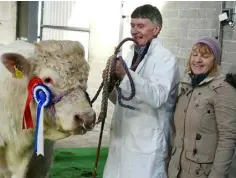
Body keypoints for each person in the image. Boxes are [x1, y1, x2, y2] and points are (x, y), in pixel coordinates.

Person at [102, 4, 180, 178]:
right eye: (133, 25)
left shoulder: (166, 59)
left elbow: (158, 96)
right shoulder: (129, 55)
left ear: (156, 29)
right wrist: (111, 84)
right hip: (123, 139)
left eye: (141, 26)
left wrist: (126, 75)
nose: (135, 30)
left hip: (147, 144)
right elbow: (125, 99)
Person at [168, 36, 236, 178]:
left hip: (202, 174)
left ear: (215, 61)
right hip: (176, 172)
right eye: (194, 54)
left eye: (205, 56)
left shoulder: (223, 90)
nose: (197, 60)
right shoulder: (186, 89)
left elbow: (228, 139)